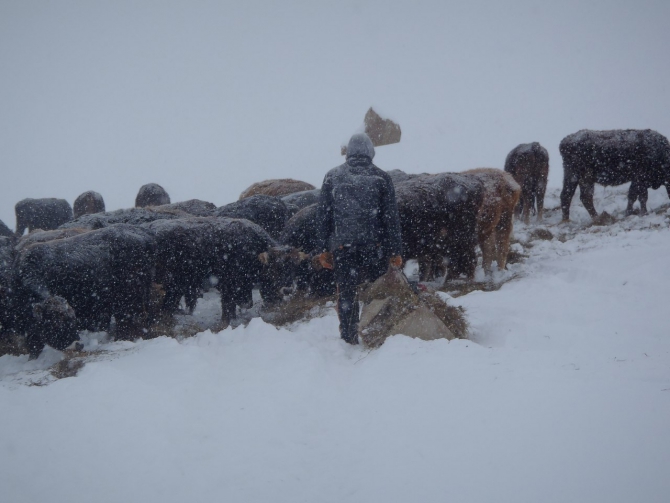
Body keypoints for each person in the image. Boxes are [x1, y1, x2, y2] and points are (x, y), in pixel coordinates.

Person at [314, 133, 403, 344]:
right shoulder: (381, 177)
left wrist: (323, 249)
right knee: (375, 291)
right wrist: (395, 251)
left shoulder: (332, 176)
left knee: (347, 293)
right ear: (370, 151)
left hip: (343, 248)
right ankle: (373, 329)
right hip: (375, 247)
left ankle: (349, 335)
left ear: (349, 152)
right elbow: (391, 217)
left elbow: (323, 217)